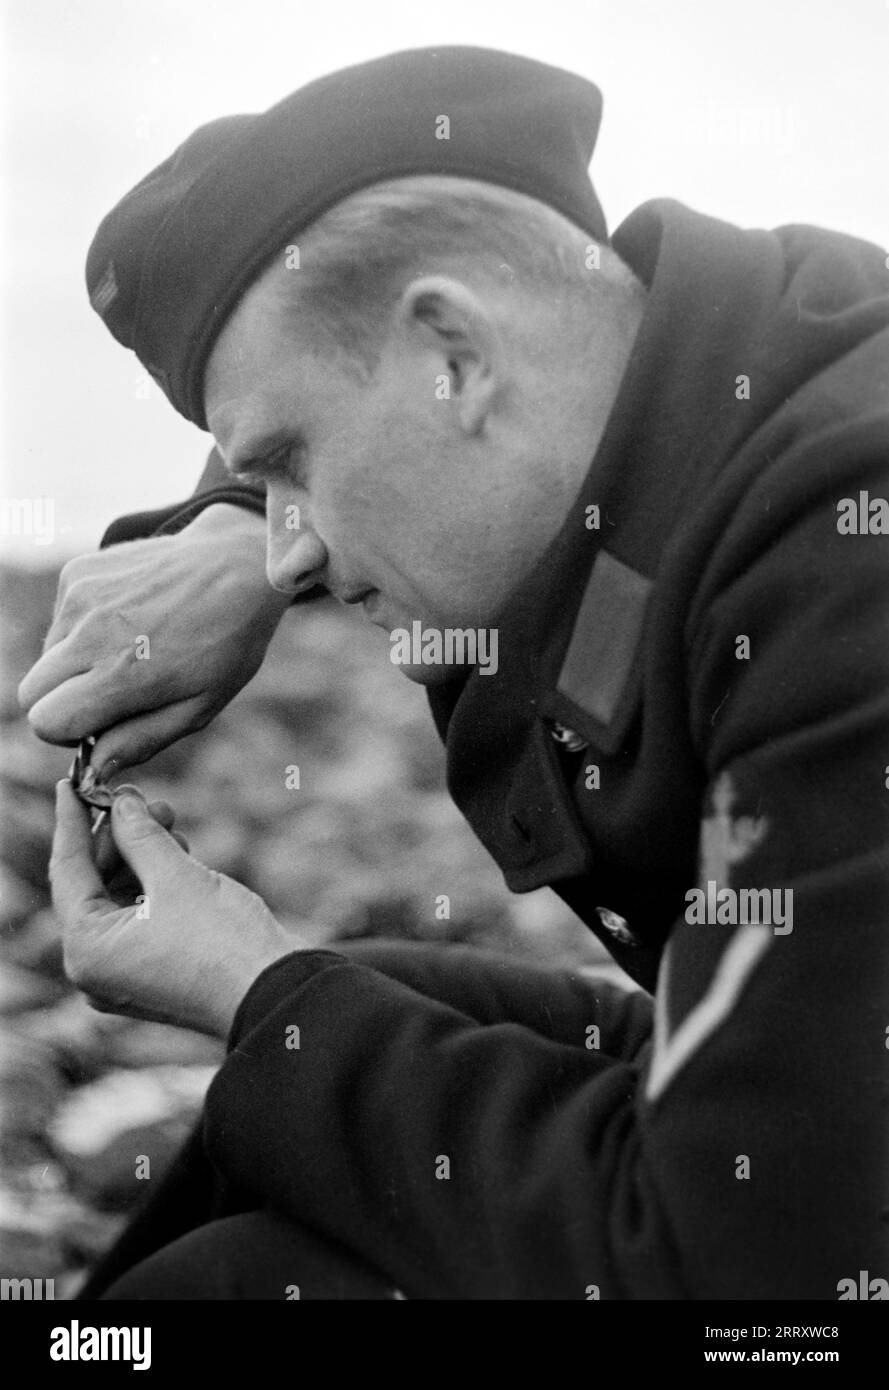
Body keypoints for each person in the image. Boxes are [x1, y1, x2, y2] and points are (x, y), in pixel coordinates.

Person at [20, 46, 889, 1299]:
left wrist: (249, 984)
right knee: (378, 999)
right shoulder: (741, 376)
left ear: (456, 357)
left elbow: (748, 1273)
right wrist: (235, 525)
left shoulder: (847, 552)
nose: (288, 553)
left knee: (253, 1281)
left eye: (284, 466)